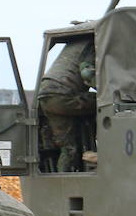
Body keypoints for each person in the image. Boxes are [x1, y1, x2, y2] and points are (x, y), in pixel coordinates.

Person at [36, 39, 97, 173]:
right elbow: (87, 72)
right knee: (104, 102)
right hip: (63, 95)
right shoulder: (93, 43)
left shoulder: (74, 44)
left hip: (46, 97)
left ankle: (62, 180)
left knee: (68, 147)